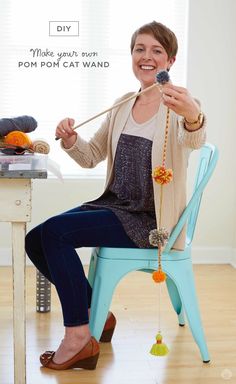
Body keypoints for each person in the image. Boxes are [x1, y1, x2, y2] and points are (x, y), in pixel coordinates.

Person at [25, 21, 206, 371]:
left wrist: (194, 118)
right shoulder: (125, 103)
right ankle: (95, 310)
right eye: (140, 49)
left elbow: (193, 139)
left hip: (150, 220)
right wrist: (70, 140)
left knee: (54, 233)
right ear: (132, 55)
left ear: (170, 59)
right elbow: (92, 155)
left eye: (156, 51)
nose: (147, 57)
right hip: (115, 206)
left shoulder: (181, 104)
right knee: (35, 239)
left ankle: (78, 337)